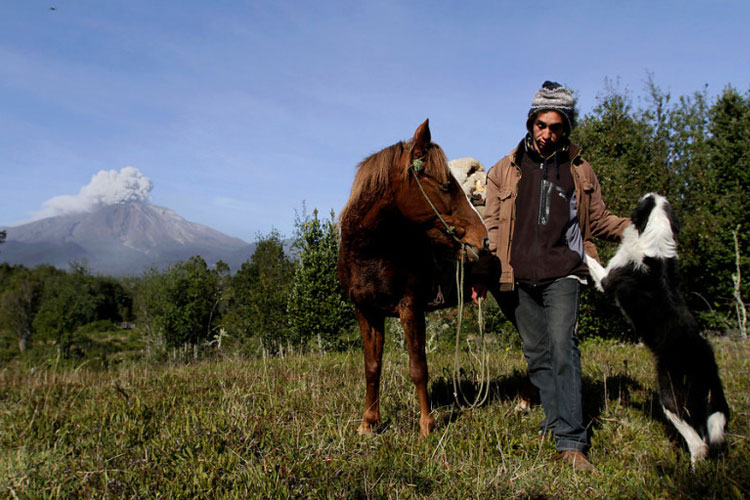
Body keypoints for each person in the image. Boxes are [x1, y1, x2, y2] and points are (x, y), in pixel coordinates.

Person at [473, 81, 629, 472]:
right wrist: (480, 274)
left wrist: (642, 228)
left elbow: (600, 220)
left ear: (566, 128)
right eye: (540, 125)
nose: (546, 134)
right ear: (530, 122)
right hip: (516, 277)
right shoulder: (503, 170)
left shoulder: (579, 170)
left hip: (565, 272)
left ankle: (572, 442)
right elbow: (490, 228)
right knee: (538, 355)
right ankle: (558, 422)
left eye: (555, 127)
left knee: (563, 347)